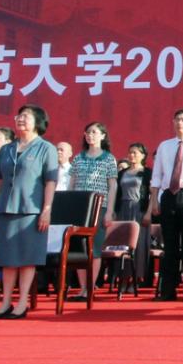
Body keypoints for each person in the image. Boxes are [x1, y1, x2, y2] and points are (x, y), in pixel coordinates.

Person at [0, 104, 58, 319]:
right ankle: (6, 302)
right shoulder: (6, 149)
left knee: (27, 258)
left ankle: (22, 303)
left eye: (26, 116)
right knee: (7, 259)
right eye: (19, 116)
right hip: (6, 209)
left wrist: (46, 209)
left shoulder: (46, 148)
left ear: (38, 122)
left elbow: (50, 182)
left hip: (32, 211)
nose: (20, 119)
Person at [150, 108, 183, 301]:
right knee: (170, 246)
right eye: (177, 120)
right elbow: (157, 175)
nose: (180, 123)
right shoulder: (164, 146)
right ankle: (168, 291)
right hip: (168, 197)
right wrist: (154, 201)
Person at [66, 122, 118, 300]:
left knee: (94, 248)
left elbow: (112, 186)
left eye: (94, 132)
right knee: (79, 248)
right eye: (88, 132)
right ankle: (82, 288)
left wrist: (109, 211)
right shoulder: (78, 158)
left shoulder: (108, 159)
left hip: (98, 207)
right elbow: (71, 183)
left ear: (103, 136)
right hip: (78, 208)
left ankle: (90, 287)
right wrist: (68, 204)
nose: (90, 135)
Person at [112, 142, 153, 290]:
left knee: (138, 244)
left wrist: (148, 212)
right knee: (122, 244)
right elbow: (116, 193)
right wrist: (113, 211)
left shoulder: (147, 173)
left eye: (135, 152)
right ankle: (123, 279)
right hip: (123, 210)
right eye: (130, 152)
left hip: (139, 210)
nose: (132, 155)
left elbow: (152, 194)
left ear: (143, 155)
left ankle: (135, 279)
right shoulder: (122, 173)